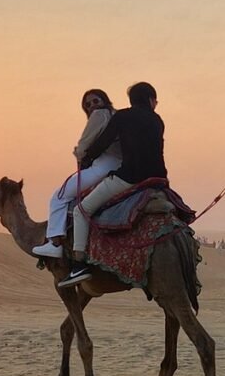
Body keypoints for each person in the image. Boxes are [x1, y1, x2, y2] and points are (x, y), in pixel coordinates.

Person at [58, 81, 167, 287]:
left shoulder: (122, 117)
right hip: (159, 180)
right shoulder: (157, 120)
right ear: (151, 100)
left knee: (82, 210)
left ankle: (78, 264)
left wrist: (87, 159)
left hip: (129, 178)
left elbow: (102, 143)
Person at [32, 89, 123, 258]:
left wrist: (79, 153)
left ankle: (54, 243)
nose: (92, 106)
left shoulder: (100, 115)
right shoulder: (116, 115)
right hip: (120, 167)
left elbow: (84, 144)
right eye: (87, 105)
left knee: (59, 197)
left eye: (95, 101)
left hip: (102, 167)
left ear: (104, 100)